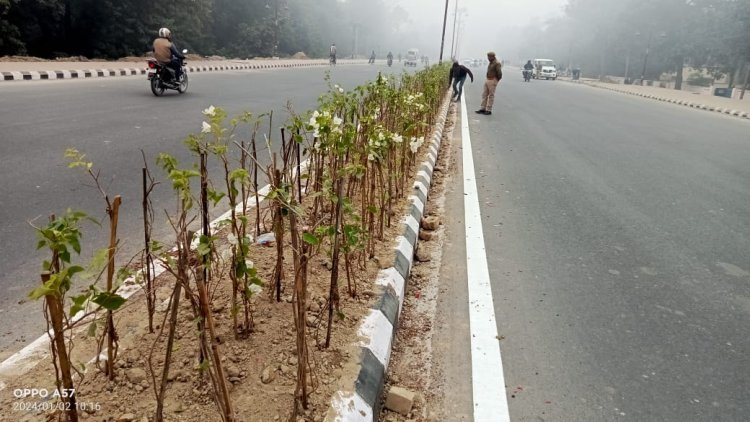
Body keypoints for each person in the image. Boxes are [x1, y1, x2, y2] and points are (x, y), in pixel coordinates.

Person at [475, 51, 502, 115]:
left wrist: (496, 80)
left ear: (493, 56)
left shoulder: (497, 63)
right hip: (488, 79)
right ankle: (482, 108)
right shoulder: (491, 62)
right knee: (484, 94)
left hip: (493, 80)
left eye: (489, 57)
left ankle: (488, 110)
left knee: (491, 95)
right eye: (488, 56)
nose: (488, 58)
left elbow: (499, 73)